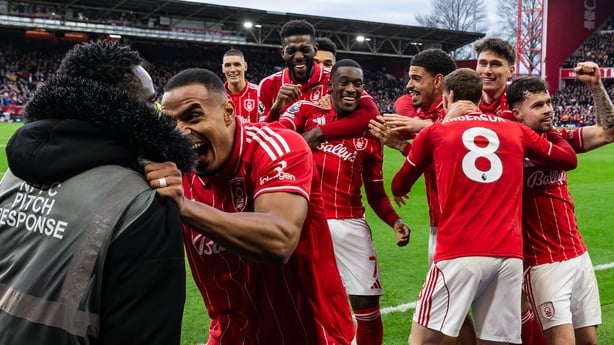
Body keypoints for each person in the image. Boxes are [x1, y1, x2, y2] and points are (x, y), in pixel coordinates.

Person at [0, 41, 192, 345]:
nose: (156, 113)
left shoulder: (11, 176)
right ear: (127, 110)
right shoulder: (142, 204)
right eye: (149, 103)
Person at [145, 67, 355, 345]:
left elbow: (279, 240)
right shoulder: (178, 170)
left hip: (310, 333)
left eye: (193, 116)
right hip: (232, 334)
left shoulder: (278, 147)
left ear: (228, 113)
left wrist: (185, 208)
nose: (181, 132)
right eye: (171, 123)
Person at [390, 68, 578, 345]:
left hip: (459, 250)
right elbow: (566, 159)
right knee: (496, 341)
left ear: (448, 96)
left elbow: (399, 185)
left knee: (421, 339)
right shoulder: (515, 129)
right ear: (480, 97)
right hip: (510, 254)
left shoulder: (436, 131)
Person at [276, 59, 410, 345]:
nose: (351, 89)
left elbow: (374, 192)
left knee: (367, 305)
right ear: (330, 85)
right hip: (306, 223)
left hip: (350, 223)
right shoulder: (306, 112)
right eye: (344, 83)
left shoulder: (370, 132)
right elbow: (275, 132)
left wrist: (394, 220)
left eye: (357, 84)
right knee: (302, 304)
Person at [508, 62, 614, 345]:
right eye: (538, 105)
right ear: (516, 113)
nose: (548, 109)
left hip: (578, 254)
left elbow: (608, 131)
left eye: (549, 102)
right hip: (542, 262)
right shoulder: (507, 148)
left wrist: (595, 86)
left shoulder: (559, 138)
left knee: (589, 341)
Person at [258, 19, 380, 146]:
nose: (299, 56)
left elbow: (371, 114)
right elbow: (262, 136)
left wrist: (318, 133)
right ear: (282, 53)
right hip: (289, 159)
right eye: (291, 51)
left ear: (315, 49)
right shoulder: (269, 84)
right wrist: (276, 108)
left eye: (305, 50)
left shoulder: (334, 80)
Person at [474, 37, 515, 120]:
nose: (487, 71)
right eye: (483, 64)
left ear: (510, 71)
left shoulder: (520, 105)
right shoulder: (463, 101)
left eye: (495, 64)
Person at [221, 48, 260, 123]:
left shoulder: (260, 94)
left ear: (245, 66)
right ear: (223, 68)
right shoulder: (215, 96)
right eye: (227, 65)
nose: (232, 69)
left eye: (237, 64)